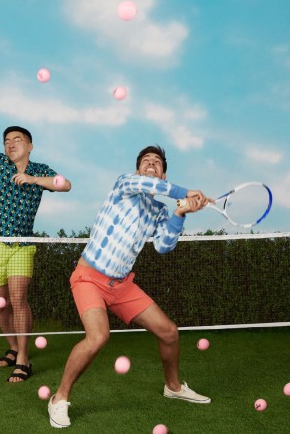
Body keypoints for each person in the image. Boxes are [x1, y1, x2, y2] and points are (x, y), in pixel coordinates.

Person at [47, 145, 211, 428]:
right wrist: (185, 192)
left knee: (169, 332)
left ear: (163, 173)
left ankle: (173, 387)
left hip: (121, 285)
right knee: (98, 336)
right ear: (138, 170)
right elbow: (149, 185)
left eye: (157, 162)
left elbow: (163, 246)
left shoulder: (158, 210)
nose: (151, 163)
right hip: (89, 278)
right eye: (146, 160)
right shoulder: (124, 185)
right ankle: (59, 399)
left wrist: (180, 212)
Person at [0, 103, 71, 383]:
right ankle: (13, 347)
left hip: (22, 245)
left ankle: (23, 358)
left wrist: (33, 179)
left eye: (17, 139)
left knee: (19, 300)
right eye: (7, 140)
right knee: (1, 304)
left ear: (29, 146)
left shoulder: (40, 170)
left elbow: (65, 184)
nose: (10, 144)